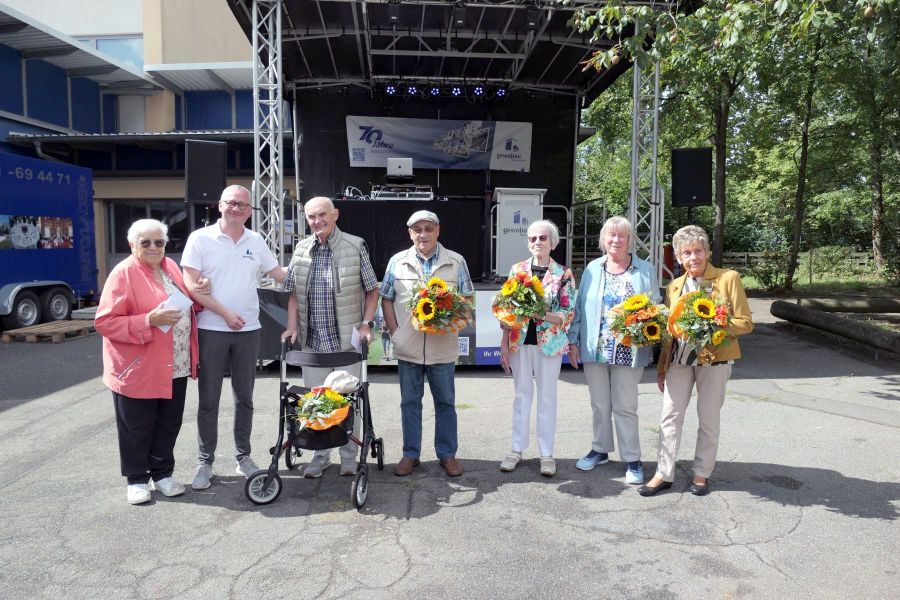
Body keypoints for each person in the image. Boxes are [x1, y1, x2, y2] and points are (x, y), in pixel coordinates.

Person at [181, 185, 286, 490]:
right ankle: (205, 462)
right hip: (211, 329)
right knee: (208, 399)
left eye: (243, 205)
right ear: (220, 205)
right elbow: (191, 286)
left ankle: (244, 457)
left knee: (245, 398)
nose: (237, 208)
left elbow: (279, 275)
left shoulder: (256, 240)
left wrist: (313, 269)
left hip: (248, 331)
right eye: (231, 203)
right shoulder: (200, 239)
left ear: (250, 211)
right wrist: (225, 313)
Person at [639, 225, 753, 496]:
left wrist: (714, 325)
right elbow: (670, 331)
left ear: (707, 252)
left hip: (715, 360)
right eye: (687, 253)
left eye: (698, 251)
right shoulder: (675, 286)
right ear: (679, 258)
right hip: (679, 360)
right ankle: (663, 472)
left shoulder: (728, 279)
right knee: (669, 416)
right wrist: (662, 367)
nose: (693, 258)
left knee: (708, 418)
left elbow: (745, 323)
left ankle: (702, 473)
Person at [95, 219, 201, 505]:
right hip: (139, 367)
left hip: (175, 364)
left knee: (169, 423)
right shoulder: (123, 273)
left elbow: (184, 304)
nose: (154, 247)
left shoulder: (171, 267)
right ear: (132, 245)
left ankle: (163, 474)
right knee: (137, 427)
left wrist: (198, 295)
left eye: (159, 242)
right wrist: (147, 320)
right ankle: (137, 479)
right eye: (146, 243)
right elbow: (105, 322)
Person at [281, 196, 379, 478]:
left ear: (335, 214)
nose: (317, 221)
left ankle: (348, 456)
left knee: (348, 402)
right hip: (313, 343)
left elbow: (372, 289)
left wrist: (366, 324)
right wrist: (291, 327)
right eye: (311, 216)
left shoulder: (355, 246)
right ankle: (320, 456)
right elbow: (293, 294)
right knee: (315, 401)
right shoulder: (301, 249)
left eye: (322, 214)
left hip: (346, 343)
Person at [567, 216, 661, 485]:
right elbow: (579, 307)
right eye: (611, 235)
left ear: (629, 240)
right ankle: (600, 449)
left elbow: (655, 306)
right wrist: (573, 341)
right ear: (603, 239)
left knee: (625, 406)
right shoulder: (592, 269)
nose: (616, 240)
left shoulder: (645, 269)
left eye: (621, 235)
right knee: (599, 404)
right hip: (595, 347)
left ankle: (632, 458)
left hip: (629, 349)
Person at [380, 210, 474, 477]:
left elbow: (467, 298)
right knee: (409, 403)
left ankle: (447, 455)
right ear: (410, 233)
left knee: (445, 403)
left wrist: (452, 324)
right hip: (408, 348)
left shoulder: (456, 261)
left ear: (438, 231)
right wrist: (396, 333)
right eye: (417, 229)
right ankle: (411, 454)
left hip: (443, 348)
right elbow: (386, 298)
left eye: (428, 228)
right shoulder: (397, 262)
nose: (423, 234)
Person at [498, 220, 576, 477]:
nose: (537, 242)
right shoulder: (517, 270)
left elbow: (567, 314)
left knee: (547, 397)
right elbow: (507, 309)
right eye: (532, 238)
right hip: (520, 342)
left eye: (542, 238)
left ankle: (546, 454)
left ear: (553, 242)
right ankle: (516, 449)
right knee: (521, 396)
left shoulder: (563, 274)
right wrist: (504, 342)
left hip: (550, 344)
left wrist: (541, 314)